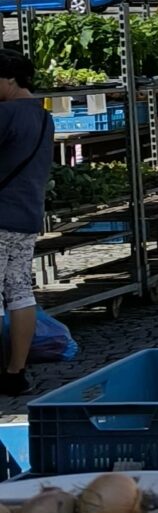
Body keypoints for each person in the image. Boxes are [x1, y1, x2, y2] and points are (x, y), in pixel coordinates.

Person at [0, 54, 54, 399]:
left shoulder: (6, 114)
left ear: (8, 80)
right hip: (26, 216)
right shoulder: (43, 115)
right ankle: (15, 372)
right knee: (19, 294)